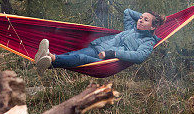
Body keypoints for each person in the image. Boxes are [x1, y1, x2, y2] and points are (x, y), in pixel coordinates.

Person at [34, 8, 164, 71]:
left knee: (81, 59)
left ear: (153, 26)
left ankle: (50, 57)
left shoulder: (148, 42)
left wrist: (113, 53)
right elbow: (127, 12)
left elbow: (140, 56)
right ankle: (47, 60)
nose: (140, 20)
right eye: (140, 18)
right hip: (99, 47)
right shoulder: (131, 28)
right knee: (73, 54)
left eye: (145, 20)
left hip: (106, 60)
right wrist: (146, 17)